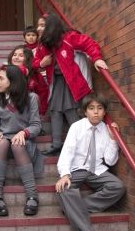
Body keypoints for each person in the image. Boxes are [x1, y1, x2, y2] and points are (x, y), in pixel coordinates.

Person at [55, 92, 126, 231]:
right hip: (77, 169)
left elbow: (110, 161)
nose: (96, 112)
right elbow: (67, 152)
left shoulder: (106, 130)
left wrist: (114, 139)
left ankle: (74, 206)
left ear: (104, 112)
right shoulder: (77, 127)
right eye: (92, 108)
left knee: (118, 187)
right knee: (64, 189)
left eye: (100, 108)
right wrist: (65, 174)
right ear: (85, 111)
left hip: (97, 170)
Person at [33, 13, 108, 156]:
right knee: (54, 111)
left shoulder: (69, 38)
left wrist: (97, 58)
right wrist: (42, 63)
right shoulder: (43, 45)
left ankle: (81, 145)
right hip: (56, 82)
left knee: (70, 111)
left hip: (72, 83)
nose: (39, 28)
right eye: (39, 25)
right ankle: (56, 145)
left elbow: (89, 43)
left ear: (51, 26)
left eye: (42, 25)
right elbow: (35, 63)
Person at [0, 65, 44, 217]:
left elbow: (36, 125)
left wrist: (24, 133)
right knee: (4, 142)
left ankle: (32, 195)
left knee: (17, 145)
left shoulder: (30, 98)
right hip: (3, 145)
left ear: (12, 82)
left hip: (24, 145)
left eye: (1, 78)